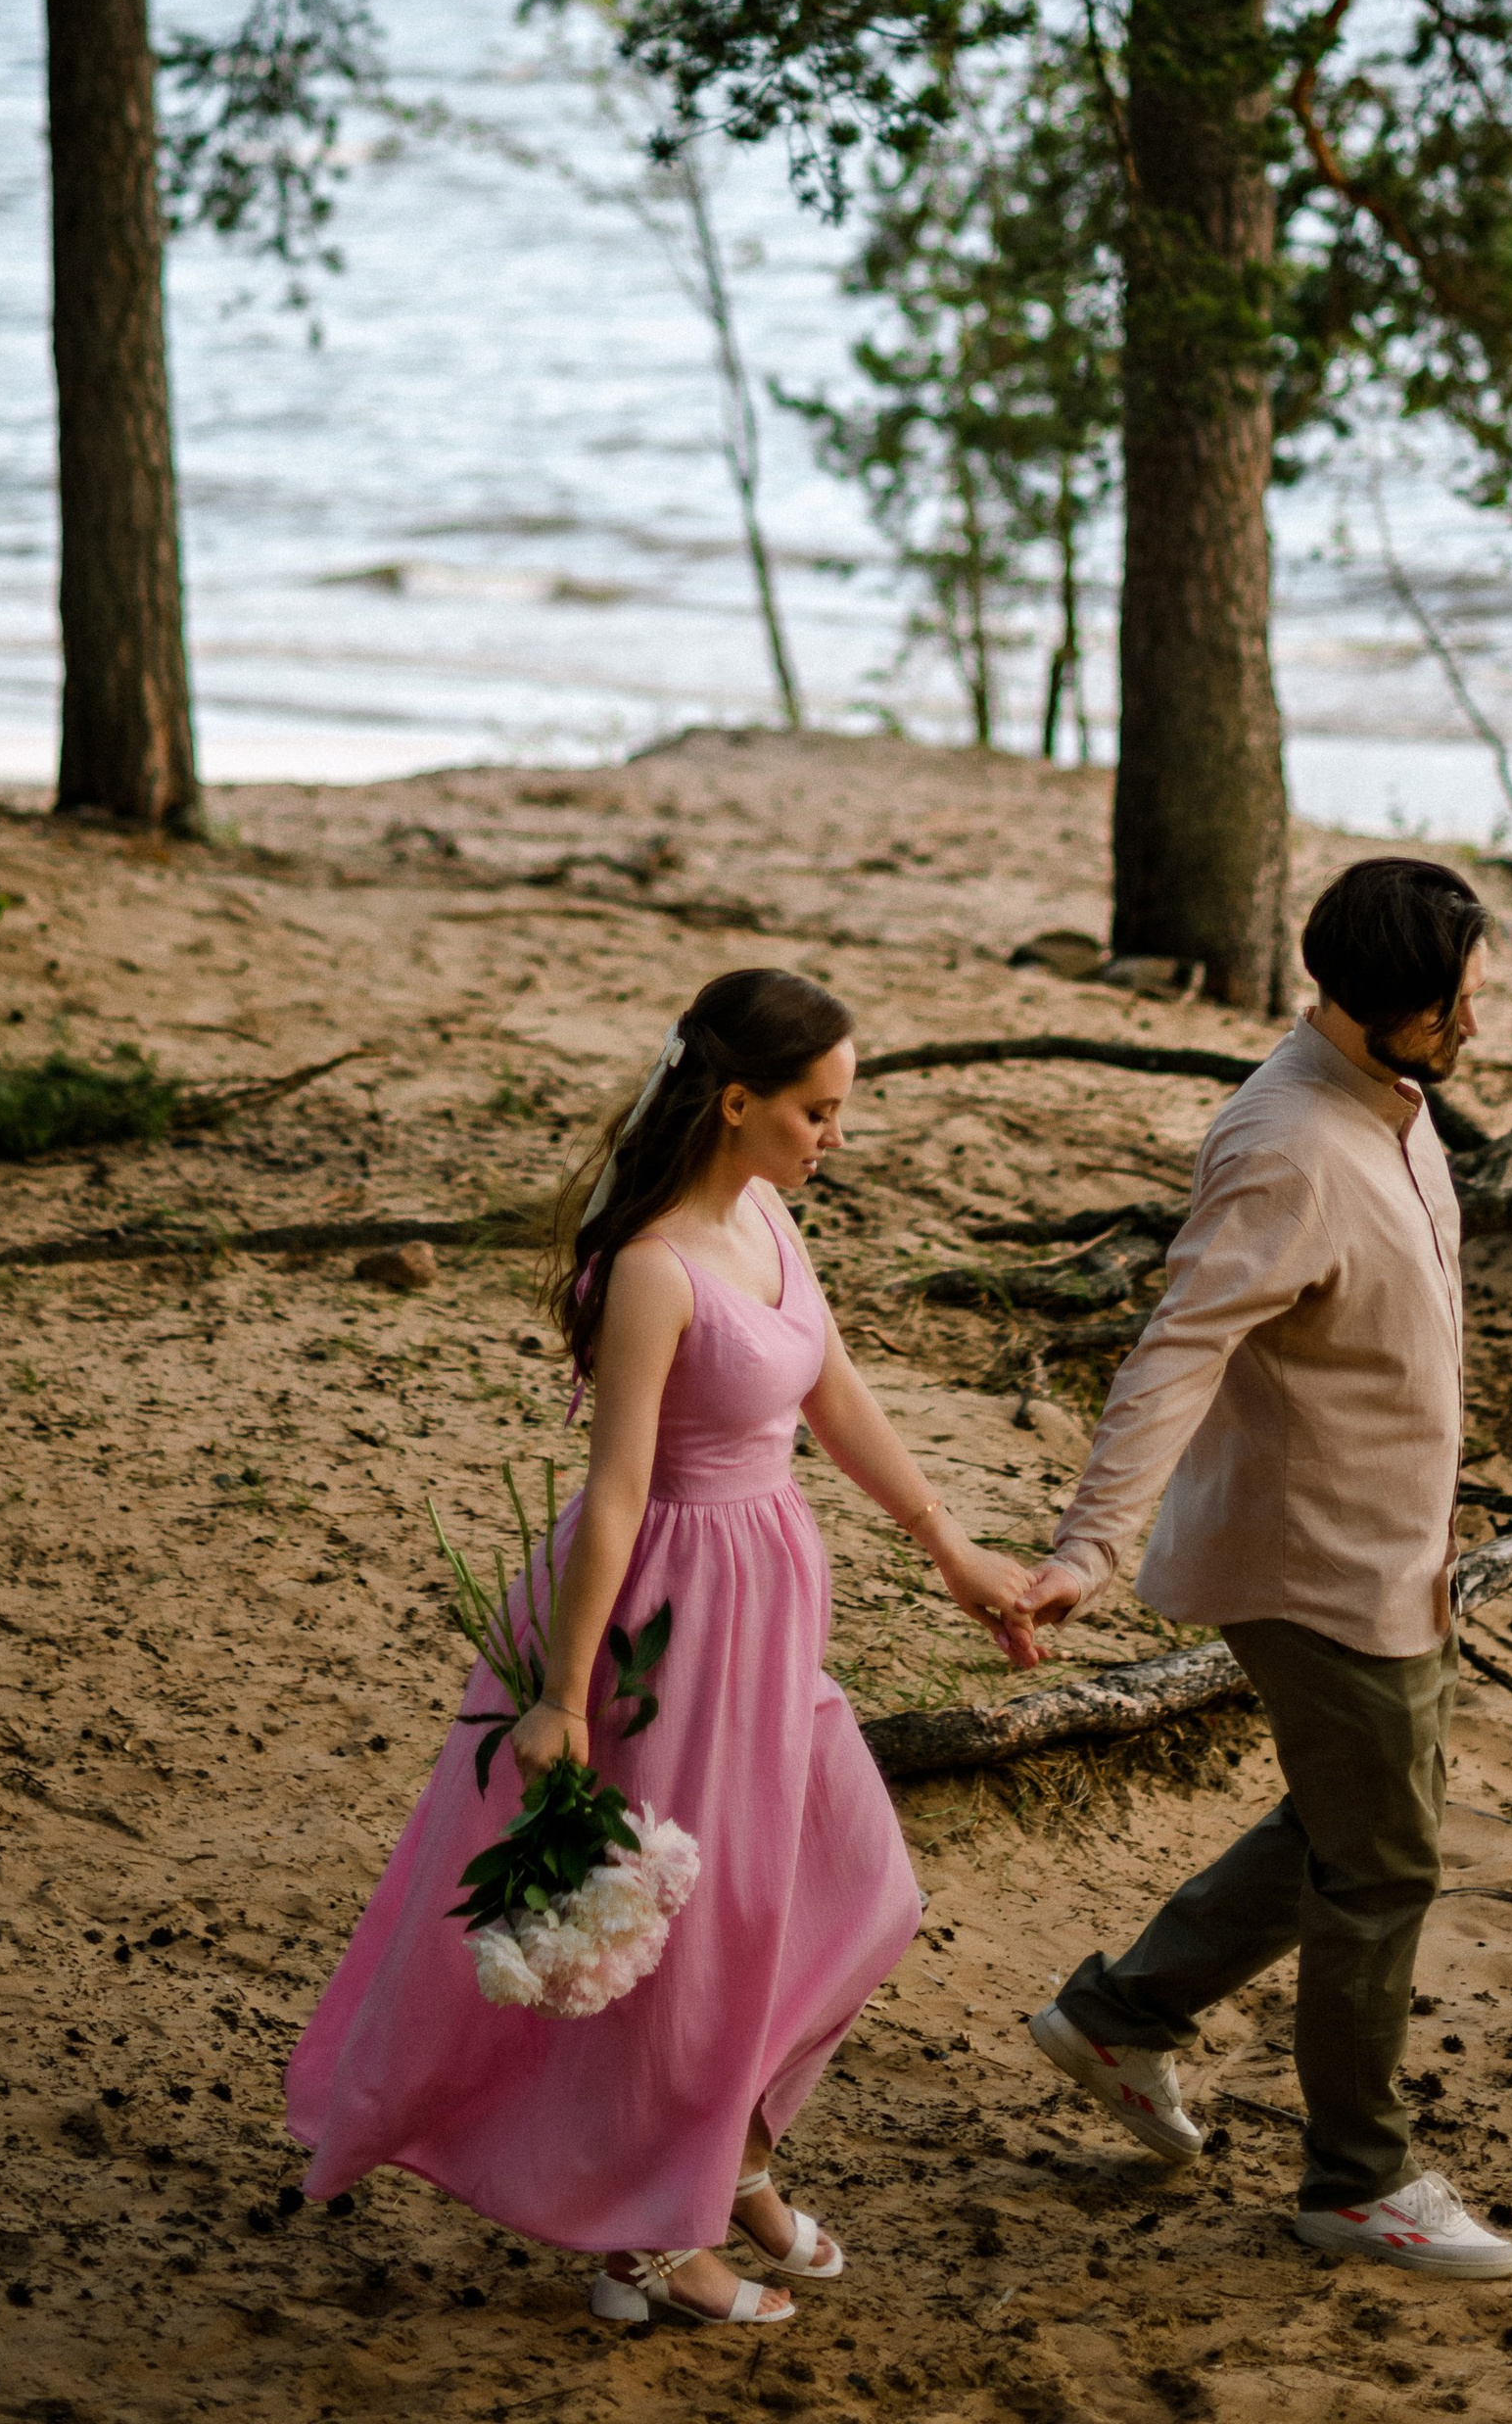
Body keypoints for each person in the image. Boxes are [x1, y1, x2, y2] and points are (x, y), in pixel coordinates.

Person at [284, 966, 1042, 2327]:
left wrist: (950, 1548)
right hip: (668, 1623)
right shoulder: (652, 1271)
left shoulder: (765, 1215)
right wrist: (562, 1698)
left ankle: (732, 2155)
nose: (835, 1138)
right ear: (737, 1100)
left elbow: (834, 1385)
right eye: (817, 1112)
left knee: (864, 1891)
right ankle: (658, 2233)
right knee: (692, 1935)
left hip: (773, 1610)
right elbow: (619, 1494)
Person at [1018, 857, 1512, 2284]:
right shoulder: (1288, 1146)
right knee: (1384, 1862)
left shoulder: (1395, 1106)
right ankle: (1357, 2179)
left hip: (1394, 1549)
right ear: (1372, 1010)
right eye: (1456, 1008)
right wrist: (1088, 1548)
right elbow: (1175, 1351)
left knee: (1351, 1818)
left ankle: (1123, 2017)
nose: (1476, 1028)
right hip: (1316, 1568)